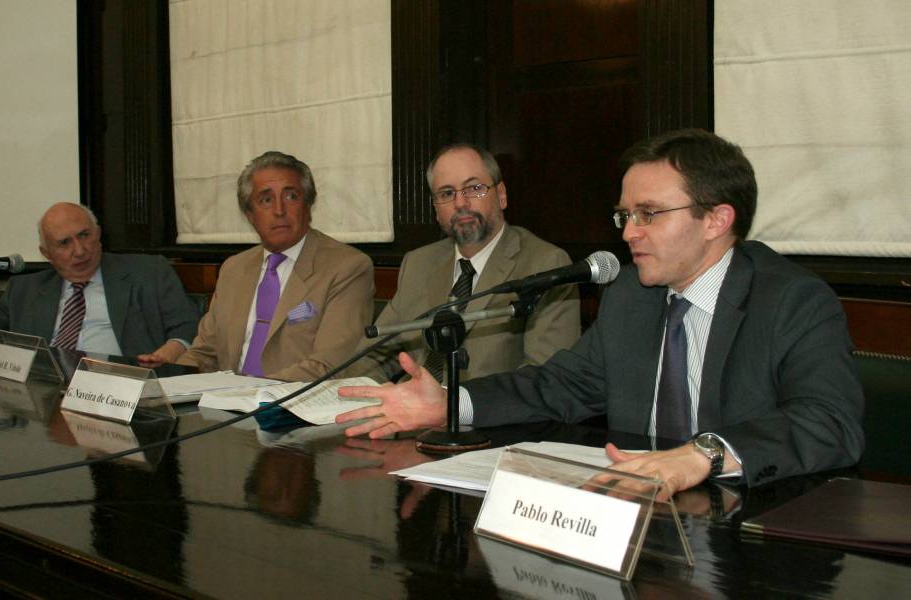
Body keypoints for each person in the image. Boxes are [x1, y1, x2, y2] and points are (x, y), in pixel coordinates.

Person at [336, 129, 864, 497]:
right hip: (634, 519)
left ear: (716, 219)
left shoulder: (792, 300)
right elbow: (557, 386)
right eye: (625, 214)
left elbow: (829, 423)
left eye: (649, 214)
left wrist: (702, 454)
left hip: (750, 533)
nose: (628, 231)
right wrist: (454, 403)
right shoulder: (632, 295)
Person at [345, 143, 579, 383]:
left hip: (486, 417)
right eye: (446, 193)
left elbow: (546, 379)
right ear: (436, 210)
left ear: (501, 195)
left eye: (474, 188)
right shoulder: (418, 263)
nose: (460, 203)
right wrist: (383, 396)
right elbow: (372, 353)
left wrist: (449, 406)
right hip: (409, 414)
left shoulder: (546, 264)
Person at [175, 151, 375, 381]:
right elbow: (204, 353)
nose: (279, 211)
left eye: (291, 197)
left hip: (292, 407)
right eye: (266, 200)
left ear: (308, 205)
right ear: (249, 214)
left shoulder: (347, 267)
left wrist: (245, 393)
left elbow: (328, 366)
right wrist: (168, 383)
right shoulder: (234, 268)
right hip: (226, 404)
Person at [0, 202, 198, 362]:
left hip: (120, 394)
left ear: (99, 233)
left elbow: (186, 324)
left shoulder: (148, 272)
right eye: (64, 243)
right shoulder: (27, 288)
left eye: (85, 235)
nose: (80, 249)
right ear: (46, 254)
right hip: (48, 395)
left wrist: (167, 354)